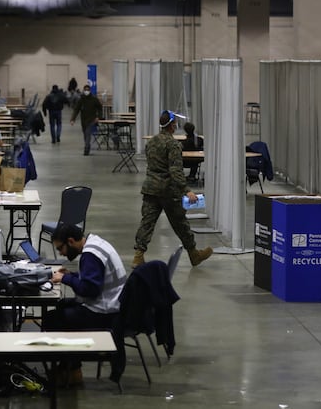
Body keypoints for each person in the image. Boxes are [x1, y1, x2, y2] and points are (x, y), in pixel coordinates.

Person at [43, 222, 127, 386]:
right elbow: (94, 278)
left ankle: (71, 369)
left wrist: (66, 279)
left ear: (71, 241)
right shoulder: (95, 243)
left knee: (53, 319)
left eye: (61, 248)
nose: (61, 253)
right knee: (61, 306)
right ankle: (70, 367)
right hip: (112, 305)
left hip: (105, 313)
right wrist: (73, 275)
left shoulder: (90, 255)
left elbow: (89, 290)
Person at [133, 110, 214, 268]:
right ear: (172, 126)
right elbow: (175, 171)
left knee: (147, 223)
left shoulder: (151, 142)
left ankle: (138, 256)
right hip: (168, 191)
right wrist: (186, 190)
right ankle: (193, 254)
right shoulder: (173, 144)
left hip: (150, 189)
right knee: (181, 224)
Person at [70, 84, 102, 156]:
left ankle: (86, 149)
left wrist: (98, 117)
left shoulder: (94, 99)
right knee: (85, 134)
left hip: (92, 119)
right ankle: (87, 146)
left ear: (90, 91)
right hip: (83, 120)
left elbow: (100, 108)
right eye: (85, 90)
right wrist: (73, 119)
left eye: (88, 90)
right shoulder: (81, 99)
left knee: (88, 133)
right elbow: (76, 110)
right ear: (83, 91)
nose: (86, 91)